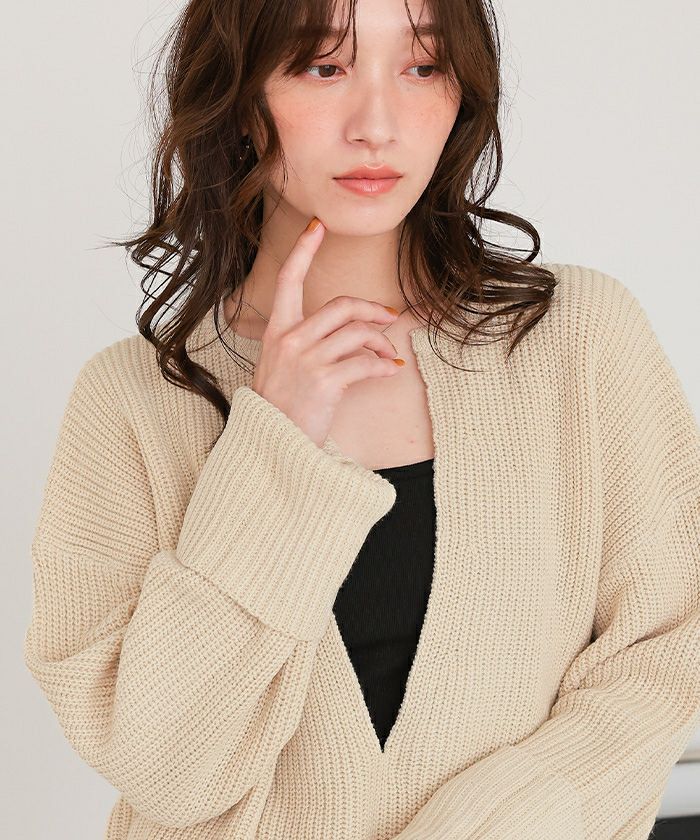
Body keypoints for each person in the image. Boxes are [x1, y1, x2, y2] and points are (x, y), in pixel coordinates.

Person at [23, 0, 700, 838]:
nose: (377, 125)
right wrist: (272, 443)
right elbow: (168, 771)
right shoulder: (131, 401)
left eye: (422, 67)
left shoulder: (578, 342)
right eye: (323, 66)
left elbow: (666, 655)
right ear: (240, 97)